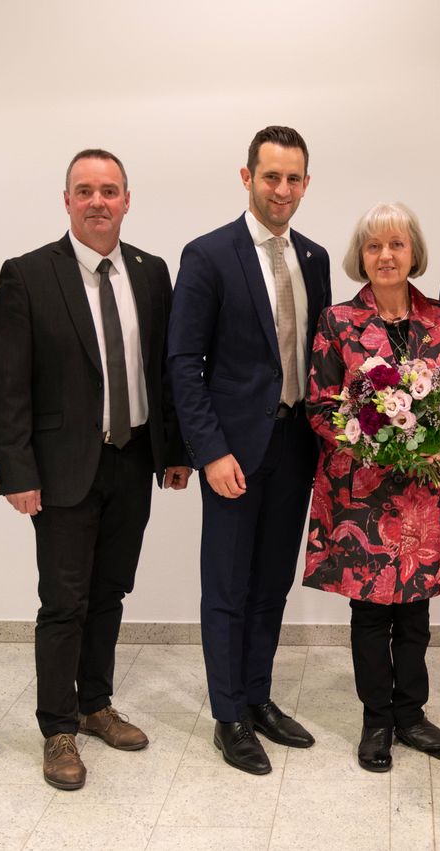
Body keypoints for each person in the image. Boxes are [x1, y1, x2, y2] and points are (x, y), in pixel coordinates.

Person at [0, 149, 191, 791]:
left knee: (110, 592)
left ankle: (95, 704)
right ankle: (57, 728)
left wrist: (175, 450)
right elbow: (6, 383)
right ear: (66, 200)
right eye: (85, 190)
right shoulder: (27, 275)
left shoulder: (152, 272)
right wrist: (16, 469)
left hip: (132, 462)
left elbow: (167, 369)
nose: (97, 201)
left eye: (110, 190)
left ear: (128, 200)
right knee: (64, 601)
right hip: (62, 467)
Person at [169, 126, 331, 775]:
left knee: (270, 584)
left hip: (295, 446)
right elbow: (184, 361)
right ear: (247, 177)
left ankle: (258, 697)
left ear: (305, 184)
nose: (282, 189)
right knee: (228, 587)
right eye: (271, 177)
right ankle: (228, 715)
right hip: (233, 453)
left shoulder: (314, 257)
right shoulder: (209, 255)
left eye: (293, 178)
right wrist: (209, 451)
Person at [304, 202, 440, 772]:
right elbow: (321, 404)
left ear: (413, 253)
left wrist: (433, 441)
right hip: (362, 495)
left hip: (423, 494)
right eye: (374, 246)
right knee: (371, 615)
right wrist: (373, 443)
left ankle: (413, 714)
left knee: (416, 614)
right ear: (361, 256)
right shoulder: (337, 321)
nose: (385, 255)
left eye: (396, 244)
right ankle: (377, 719)